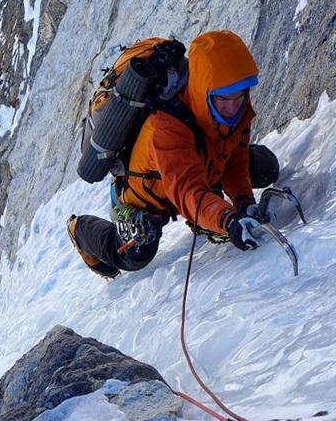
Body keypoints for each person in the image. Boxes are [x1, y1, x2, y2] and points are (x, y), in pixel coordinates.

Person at [68, 30, 279, 278]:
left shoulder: (231, 98)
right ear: (203, 91)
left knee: (267, 169)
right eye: (224, 99)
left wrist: (244, 201)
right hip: (150, 196)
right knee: (133, 257)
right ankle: (78, 229)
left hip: (200, 164)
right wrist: (228, 220)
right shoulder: (167, 126)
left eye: (240, 95)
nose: (233, 107)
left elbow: (234, 156)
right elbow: (189, 194)